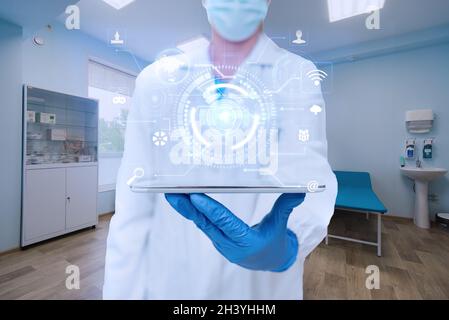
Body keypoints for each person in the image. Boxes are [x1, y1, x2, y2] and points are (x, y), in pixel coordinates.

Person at [103, 0, 337, 300]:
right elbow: (131, 216)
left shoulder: (298, 75)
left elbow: (314, 182)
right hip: (170, 286)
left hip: (258, 292)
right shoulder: (155, 80)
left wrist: (290, 241)